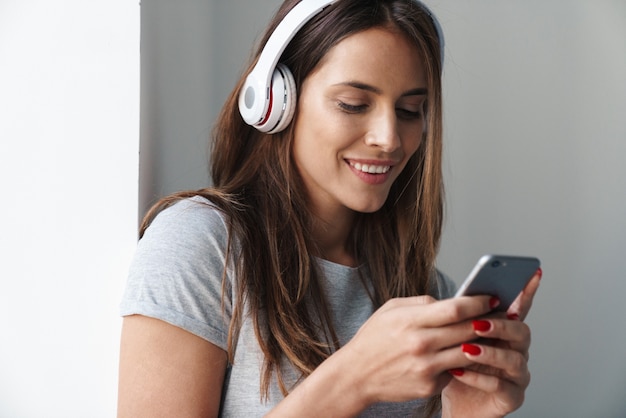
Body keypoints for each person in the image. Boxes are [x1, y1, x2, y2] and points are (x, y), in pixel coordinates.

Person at [117, 0, 542, 417]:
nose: (389, 138)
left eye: (411, 110)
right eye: (353, 104)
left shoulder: (428, 291)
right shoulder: (202, 247)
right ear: (275, 101)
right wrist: (351, 381)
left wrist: (464, 415)